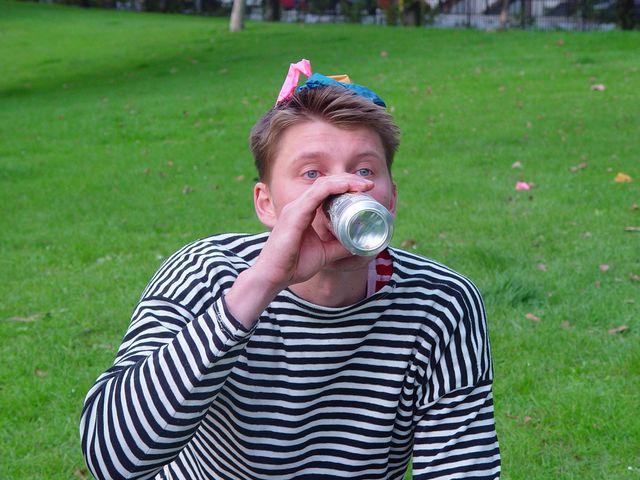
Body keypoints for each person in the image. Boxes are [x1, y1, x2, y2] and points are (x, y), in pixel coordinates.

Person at [80, 59, 500, 480]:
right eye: (312, 173)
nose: (342, 189)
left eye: (365, 171)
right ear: (266, 204)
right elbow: (113, 460)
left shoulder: (440, 303)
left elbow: (461, 470)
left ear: (390, 199)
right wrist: (260, 285)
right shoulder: (203, 272)